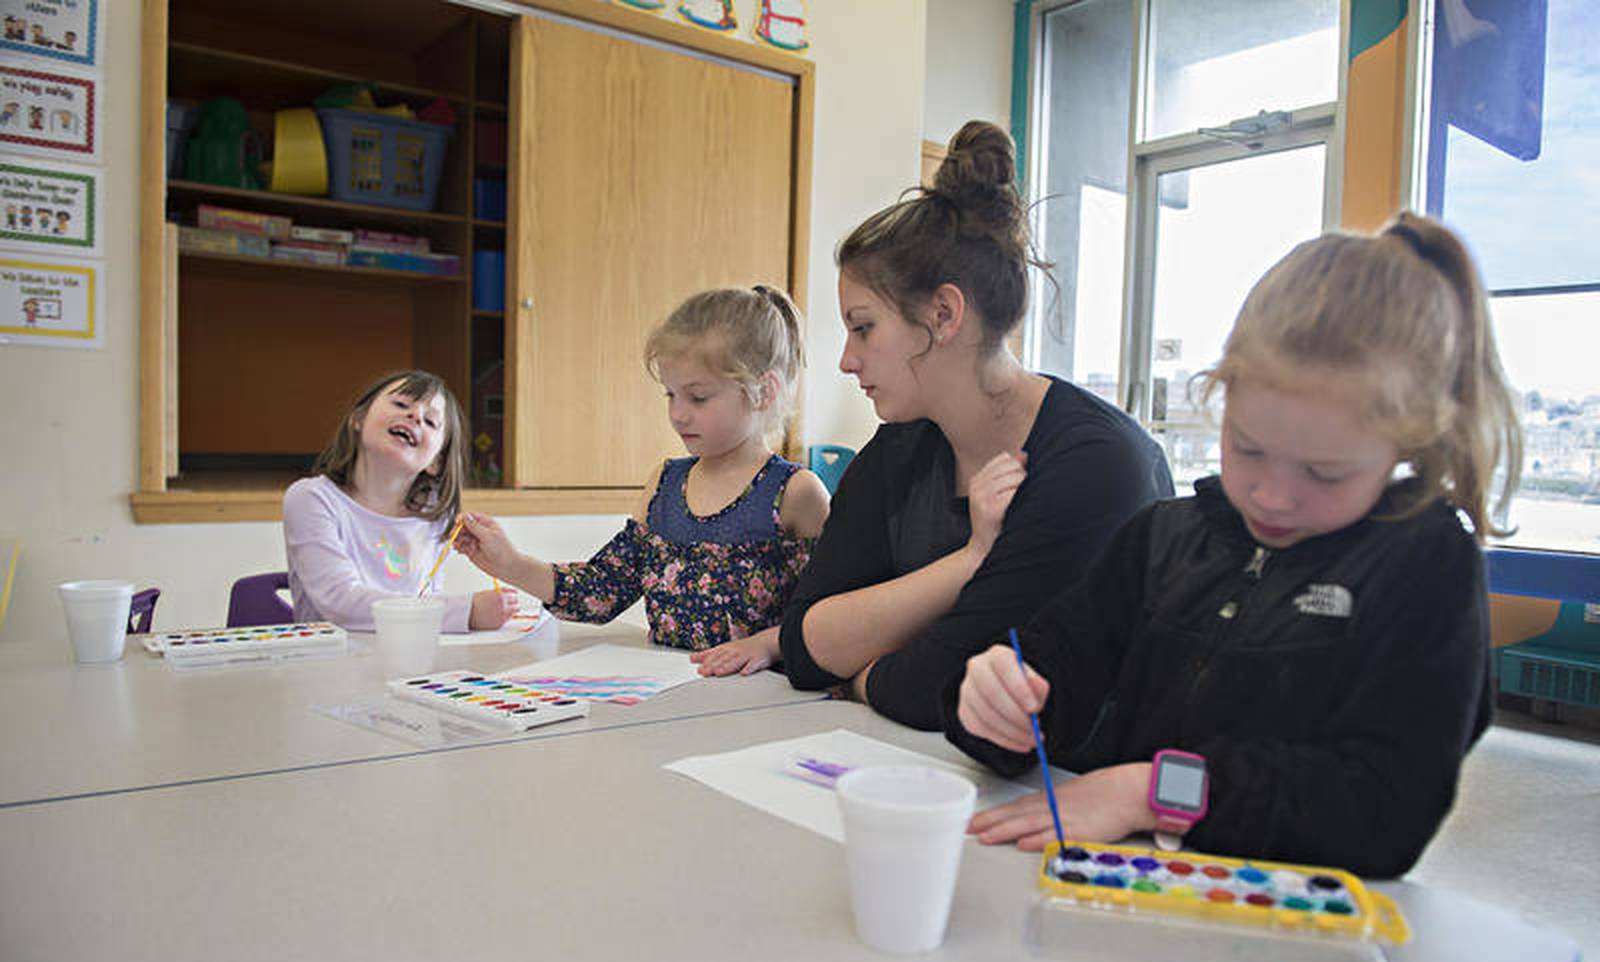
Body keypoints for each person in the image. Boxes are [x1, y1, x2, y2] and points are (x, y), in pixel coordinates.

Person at [948, 213, 1523, 878]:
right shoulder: (1162, 537)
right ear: (1221, 400)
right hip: (1124, 897)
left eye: (1325, 473)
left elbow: (1384, 811)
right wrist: (993, 701)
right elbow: (1048, 669)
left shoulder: (1425, 566)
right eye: (1247, 448)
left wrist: (1154, 793)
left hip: (1302, 935)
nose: (1273, 496)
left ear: (1408, 443)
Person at [779, 119, 1173, 727]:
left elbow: (949, 686)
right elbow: (805, 644)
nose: (846, 359)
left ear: (943, 313)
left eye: (863, 328)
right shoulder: (898, 451)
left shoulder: (1097, 466)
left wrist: (861, 675)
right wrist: (970, 560)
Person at [458, 286, 830, 676]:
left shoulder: (796, 493)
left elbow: (832, 615)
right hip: (667, 696)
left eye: (698, 398)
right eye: (670, 395)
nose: (678, 414)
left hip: (761, 704)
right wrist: (509, 563)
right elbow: (603, 590)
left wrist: (768, 645)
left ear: (763, 392)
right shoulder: (666, 483)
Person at [283, 370, 518, 632]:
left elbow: (425, 599)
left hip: (408, 666)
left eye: (430, 422)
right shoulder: (311, 499)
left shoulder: (435, 517)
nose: (415, 416)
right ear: (358, 419)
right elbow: (339, 603)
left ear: (436, 461)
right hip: (330, 666)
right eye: (401, 404)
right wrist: (467, 612)